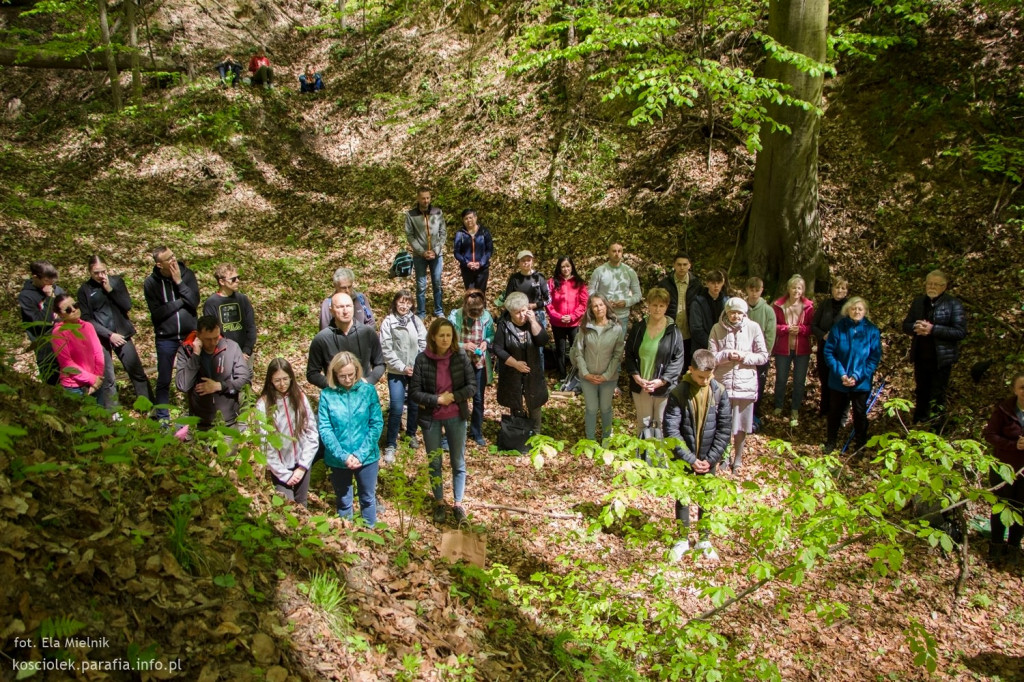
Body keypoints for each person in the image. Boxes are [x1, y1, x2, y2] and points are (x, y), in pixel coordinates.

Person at [663, 349, 732, 561]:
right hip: (684, 457)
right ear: (690, 370)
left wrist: (711, 459)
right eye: (701, 376)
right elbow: (671, 431)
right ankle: (682, 538)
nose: (705, 381)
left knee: (706, 497)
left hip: (708, 456)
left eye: (709, 376)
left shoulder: (719, 392)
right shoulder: (678, 393)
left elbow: (724, 428)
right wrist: (690, 459)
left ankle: (704, 539)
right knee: (683, 498)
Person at [410, 319, 476, 525]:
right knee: (435, 461)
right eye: (441, 335)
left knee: (458, 461)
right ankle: (439, 501)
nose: (445, 339)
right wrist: (437, 399)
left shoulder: (460, 357)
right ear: (433, 337)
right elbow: (414, 392)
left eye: (449, 335)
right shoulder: (422, 359)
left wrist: (453, 396)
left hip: (456, 415)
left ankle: (457, 503)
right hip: (431, 418)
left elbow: (472, 386)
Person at [78, 255, 153, 406]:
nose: (100, 276)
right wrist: (109, 335)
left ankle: (150, 407)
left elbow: (127, 305)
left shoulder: (116, 282)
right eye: (96, 273)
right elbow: (86, 319)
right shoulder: (84, 290)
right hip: (101, 338)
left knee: (136, 371)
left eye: (103, 271)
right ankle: (113, 412)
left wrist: (110, 290)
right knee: (108, 377)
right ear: (89, 272)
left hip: (123, 333)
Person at [319, 351, 383, 525]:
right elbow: (325, 429)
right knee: (344, 501)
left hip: (367, 456)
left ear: (357, 371)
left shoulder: (368, 391)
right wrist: (344, 456)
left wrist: (360, 455)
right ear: (334, 374)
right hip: (338, 459)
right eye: (342, 376)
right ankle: (347, 541)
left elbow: (376, 424)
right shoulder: (327, 395)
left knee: (368, 499)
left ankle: (370, 536)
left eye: (351, 375)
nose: (347, 380)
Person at [709, 297, 768, 472]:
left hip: (745, 385)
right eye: (732, 312)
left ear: (744, 314)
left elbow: (763, 355)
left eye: (739, 313)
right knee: (723, 423)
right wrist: (726, 355)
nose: (736, 316)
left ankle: (739, 459)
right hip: (723, 384)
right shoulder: (717, 328)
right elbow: (711, 357)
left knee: (742, 425)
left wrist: (744, 356)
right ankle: (724, 457)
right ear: (726, 312)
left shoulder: (753, 328)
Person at [902, 270, 967, 424]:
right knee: (921, 391)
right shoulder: (918, 302)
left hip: (941, 359)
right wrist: (915, 327)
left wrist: (933, 329)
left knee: (938, 394)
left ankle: (937, 427)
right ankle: (919, 423)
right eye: (929, 283)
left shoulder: (953, 304)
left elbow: (960, 332)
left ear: (944, 287)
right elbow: (905, 325)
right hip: (920, 356)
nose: (932, 287)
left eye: (936, 284)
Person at [144, 246, 199, 421]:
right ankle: (163, 418)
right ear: (160, 265)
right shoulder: (151, 283)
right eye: (168, 259)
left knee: (194, 374)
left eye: (173, 256)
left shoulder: (187, 275)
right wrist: (180, 301)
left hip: (189, 334)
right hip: (166, 337)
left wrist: (179, 282)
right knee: (164, 378)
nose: (173, 260)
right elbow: (157, 313)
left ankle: (195, 414)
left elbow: (194, 301)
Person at [822, 297, 882, 452]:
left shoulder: (872, 330)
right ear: (847, 310)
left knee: (860, 413)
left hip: (861, 382)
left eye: (860, 309)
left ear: (865, 311)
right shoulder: (838, 328)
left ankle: (860, 443)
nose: (856, 312)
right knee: (834, 412)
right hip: (838, 380)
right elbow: (829, 352)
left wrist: (856, 376)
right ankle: (831, 441)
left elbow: (873, 357)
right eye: (853, 309)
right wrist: (841, 373)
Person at [256, 359, 317, 506]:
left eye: (285, 379)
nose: (282, 384)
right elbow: (264, 442)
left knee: (302, 504)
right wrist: (284, 474)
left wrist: (302, 466)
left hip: (302, 462)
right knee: (287, 506)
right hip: (279, 467)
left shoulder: (300, 398)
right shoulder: (263, 404)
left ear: (291, 377)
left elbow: (312, 432)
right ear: (270, 380)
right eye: (277, 380)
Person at [624, 288, 685, 433]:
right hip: (641, 385)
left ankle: (658, 455)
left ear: (666, 307)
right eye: (654, 305)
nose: (657, 309)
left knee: (660, 423)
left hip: (663, 387)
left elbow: (678, 360)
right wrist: (637, 377)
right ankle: (642, 455)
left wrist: (662, 381)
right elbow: (630, 354)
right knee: (643, 423)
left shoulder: (674, 331)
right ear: (648, 305)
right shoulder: (639, 328)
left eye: (661, 306)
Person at [174, 315, 249, 431]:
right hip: (199, 423)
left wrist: (219, 386)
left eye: (216, 337)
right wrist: (195, 356)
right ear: (198, 336)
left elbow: (244, 379)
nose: (214, 342)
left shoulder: (231, 347)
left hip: (228, 421)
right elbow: (183, 385)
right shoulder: (186, 351)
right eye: (208, 339)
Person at [380, 289, 428, 463]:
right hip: (396, 372)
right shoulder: (388, 322)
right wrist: (402, 367)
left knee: (415, 405)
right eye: (401, 302)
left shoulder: (416, 321)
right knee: (396, 407)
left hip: (415, 370)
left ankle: (411, 434)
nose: (404, 305)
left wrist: (417, 366)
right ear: (395, 303)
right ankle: (391, 444)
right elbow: (386, 349)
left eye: (407, 302)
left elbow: (424, 342)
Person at [982, 372, 1024, 566]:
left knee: (1021, 509)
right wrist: (1013, 445)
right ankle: (996, 545)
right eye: (1022, 387)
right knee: (1000, 506)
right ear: (1015, 389)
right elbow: (989, 434)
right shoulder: (1004, 410)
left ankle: (1014, 546)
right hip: (1003, 468)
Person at [493, 292, 549, 434]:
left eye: (524, 310)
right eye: (517, 313)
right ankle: (518, 433)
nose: (522, 315)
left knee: (535, 404)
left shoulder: (532, 322)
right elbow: (498, 349)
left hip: (533, 371)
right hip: (512, 371)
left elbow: (542, 340)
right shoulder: (504, 325)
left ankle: (536, 434)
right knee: (515, 403)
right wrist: (515, 364)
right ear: (510, 313)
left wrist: (534, 322)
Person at [569, 294, 624, 441]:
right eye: (595, 305)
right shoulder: (585, 327)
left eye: (601, 304)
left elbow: (617, 355)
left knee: (606, 408)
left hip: (609, 377)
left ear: (606, 306)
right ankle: (590, 440)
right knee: (591, 409)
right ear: (591, 309)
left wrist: (606, 375)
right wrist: (585, 373)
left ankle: (606, 438)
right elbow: (578, 352)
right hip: (587, 377)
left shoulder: (616, 328)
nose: (599, 308)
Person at [307, 292, 385, 389]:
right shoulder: (322, 339)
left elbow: (380, 364)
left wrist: (368, 381)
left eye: (348, 306)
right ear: (331, 310)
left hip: (363, 393)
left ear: (353, 307)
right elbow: (312, 373)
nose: (345, 311)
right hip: (336, 397)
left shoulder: (368, 333)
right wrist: (331, 385)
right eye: (340, 307)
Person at [449, 289, 495, 447]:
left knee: (478, 398)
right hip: (460, 362)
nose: (475, 314)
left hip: (478, 363)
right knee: (458, 397)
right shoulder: (455, 316)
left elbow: (491, 335)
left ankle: (476, 431)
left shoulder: (486, 317)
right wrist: (463, 345)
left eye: (478, 311)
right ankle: (456, 431)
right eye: (472, 311)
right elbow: (448, 340)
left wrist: (485, 342)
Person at [772, 274, 815, 427]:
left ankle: (795, 409)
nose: (796, 290)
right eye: (793, 287)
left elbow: (812, 327)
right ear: (788, 288)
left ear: (803, 290)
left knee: (799, 381)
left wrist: (802, 330)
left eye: (799, 288)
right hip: (782, 348)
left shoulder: (809, 306)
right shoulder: (778, 305)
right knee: (781, 379)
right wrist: (786, 328)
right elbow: (773, 326)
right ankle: (778, 406)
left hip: (802, 350)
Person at [50, 294, 106, 400]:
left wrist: (97, 378)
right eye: (68, 310)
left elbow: (98, 352)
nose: (74, 310)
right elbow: (67, 363)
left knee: (100, 415)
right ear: (60, 315)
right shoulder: (59, 333)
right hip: (74, 387)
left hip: (96, 381)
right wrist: (92, 379)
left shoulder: (88, 326)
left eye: (75, 305)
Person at [18, 260, 66, 386]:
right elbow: (40, 321)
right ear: (35, 277)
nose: (51, 283)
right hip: (45, 346)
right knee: (52, 381)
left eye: (53, 280)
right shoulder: (26, 296)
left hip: (66, 340)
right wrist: (49, 298)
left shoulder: (57, 290)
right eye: (47, 280)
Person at [404, 187, 447, 319]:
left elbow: (443, 232)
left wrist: (436, 250)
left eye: (428, 197)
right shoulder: (411, 215)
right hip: (419, 256)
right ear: (418, 198)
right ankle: (421, 312)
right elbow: (410, 235)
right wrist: (422, 252)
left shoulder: (437, 212)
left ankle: (438, 310)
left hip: (436, 255)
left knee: (437, 282)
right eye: (423, 198)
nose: (426, 200)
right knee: (421, 285)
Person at [203, 263, 257, 365]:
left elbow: (251, 327)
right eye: (233, 279)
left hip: (245, 355)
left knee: (245, 380)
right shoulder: (211, 303)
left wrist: (246, 350)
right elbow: (212, 332)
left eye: (238, 277)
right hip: (223, 355)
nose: (237, 281)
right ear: (222, 281)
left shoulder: (243, 299)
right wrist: (229, 353)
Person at [657, 253, 703, 369]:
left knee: (687, 364)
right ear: (674, 265)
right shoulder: (665, 284)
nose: (682, 267)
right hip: (669, 330)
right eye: (679, 264)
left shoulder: (696, 284)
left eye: (684, 264)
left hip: (689, 331)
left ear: (689, 265)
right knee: (669, 363)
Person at [812, 278, 849, 418]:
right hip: (824, 348)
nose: (840, 291)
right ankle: (825, 409)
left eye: (843, 288)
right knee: (825, 379)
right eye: (837, 288)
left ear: (847, 291)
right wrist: (823, 335)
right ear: (832, 289)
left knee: (841, 380)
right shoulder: (825, 304)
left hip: (842, 351)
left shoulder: (850, 306)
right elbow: (814, 325)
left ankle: (841, 413)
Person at [546, 256, 588, 379]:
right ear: (559, 268)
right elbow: (548, 302)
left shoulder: (579, 282)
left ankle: (577, 375)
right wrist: (558, 317)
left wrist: (572, 316)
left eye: (568, 266)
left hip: (574, 323)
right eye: (563, 266)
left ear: (572, 267)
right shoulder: (552, 282)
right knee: (560, 350)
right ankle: (562, 375)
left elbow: (584, 302)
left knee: (576, 350)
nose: (565, 269)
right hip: (557, 323)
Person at [589, 242, 642, 336]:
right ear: (608, 252)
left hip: (622, 316)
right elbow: (591, 292)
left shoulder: (629, 272)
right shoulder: (599, 271)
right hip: (603, 315)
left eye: (619, 251)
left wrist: (626, 302)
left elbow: (638, 295)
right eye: (614, 251)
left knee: (619, 346)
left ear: (622, 253)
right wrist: (603, 303)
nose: (617, 253)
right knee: (603, 347)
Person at [743, 277, 776, 425]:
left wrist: (765, 354)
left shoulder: (768, 310)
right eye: (751, 290)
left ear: (762, 290)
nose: (754, 293)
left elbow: (770, 334)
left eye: (757, 290)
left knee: (759, 383)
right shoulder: (741, 308)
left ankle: (755, 412)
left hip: (760, 355)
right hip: (743, 354)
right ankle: (743, 412)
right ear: (747, 290)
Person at [504, 250, 551, 331]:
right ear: (518, 262)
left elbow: (549, 299)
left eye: (528, 260)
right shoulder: (514, 278)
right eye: (523, 260)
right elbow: (508, 299)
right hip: (519, 316)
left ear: (532, 261)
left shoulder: (539, 277)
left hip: (537, 315)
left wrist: (534, 305)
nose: (526, 263)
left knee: (539, 342)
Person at [689, 269, 730, 355]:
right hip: (701, 348)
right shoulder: (698, 302)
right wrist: (712, 345)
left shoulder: (727, 302)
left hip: (723, 347)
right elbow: (696, 329)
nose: (716, 286)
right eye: (713, 283)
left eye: (718, 283)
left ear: (723, 283)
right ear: (707, 283)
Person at [453, 209, 492, 292]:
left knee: (481, 294)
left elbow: (489, 250)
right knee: (470, 294)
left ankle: (482, 306)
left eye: (471, 218)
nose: (468, 220)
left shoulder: (484, 231)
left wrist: (481, 263)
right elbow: (457, 252)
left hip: (482, 269)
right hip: (467, 269)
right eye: (466, 218)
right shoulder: (460, 234)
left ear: (476, 218)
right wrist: (467, 263)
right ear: (463, 220)